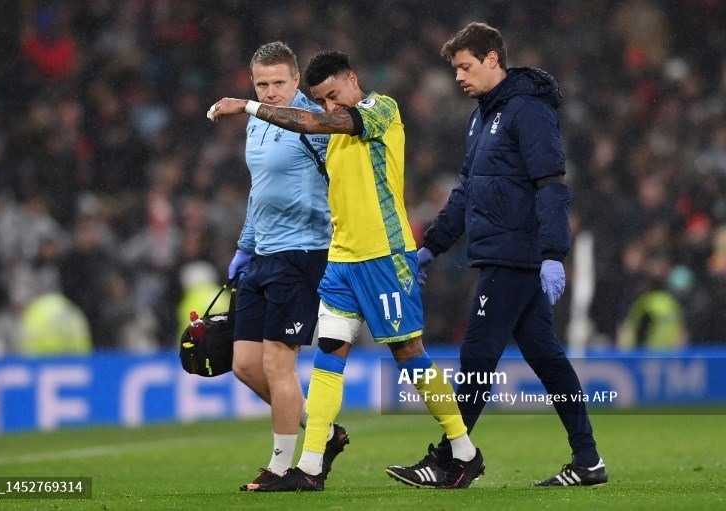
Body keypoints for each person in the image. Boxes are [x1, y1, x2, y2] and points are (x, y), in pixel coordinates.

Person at [209, 49, 484, 491]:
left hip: (383, 256)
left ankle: (464, 451)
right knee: (328, 357)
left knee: (408, 353)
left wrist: (248, 106)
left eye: (334, 94)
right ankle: (311, 466)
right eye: (321, 100)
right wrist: (250, 243)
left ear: (352, 79)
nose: (330, 106)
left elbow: (318, 123)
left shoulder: (381, 109)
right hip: (341, 260)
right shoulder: (330, 128)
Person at [389, 22, 608, 487]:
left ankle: (452, 460)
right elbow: (468, 190)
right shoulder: (482, 116)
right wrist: (431, 246)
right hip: (504, 252)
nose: (458, 77)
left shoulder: (526, 111)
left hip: (516, 254)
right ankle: (588, 461)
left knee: (477, 355)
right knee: (546, 359)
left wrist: (553, 252)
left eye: (465, 66)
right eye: (455, 69)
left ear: (493, 60)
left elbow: (550, 183)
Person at [217, 42, 348, 492]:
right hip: (264, 254)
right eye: (261, 84)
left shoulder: (312, 122)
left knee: (277, 362)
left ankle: (280, 467)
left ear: (296, 81)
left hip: (304, 252)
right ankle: (323, 431)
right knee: (246, 364)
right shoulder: (255, 123)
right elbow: (260, 189)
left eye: (279, 83)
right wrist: (245, 246)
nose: (270, 92)